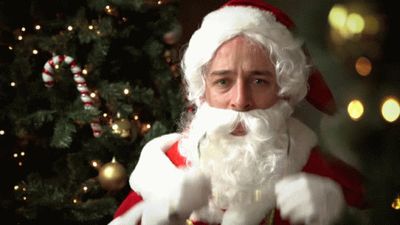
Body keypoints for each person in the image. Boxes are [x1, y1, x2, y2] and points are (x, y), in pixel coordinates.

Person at [109, 0, 365, 224]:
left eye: (259, 81)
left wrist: (337, 217)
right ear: (202, 90)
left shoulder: (313, 171)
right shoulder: (163, 173)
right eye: (223, 82)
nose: (241, 101)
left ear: (282, 88)